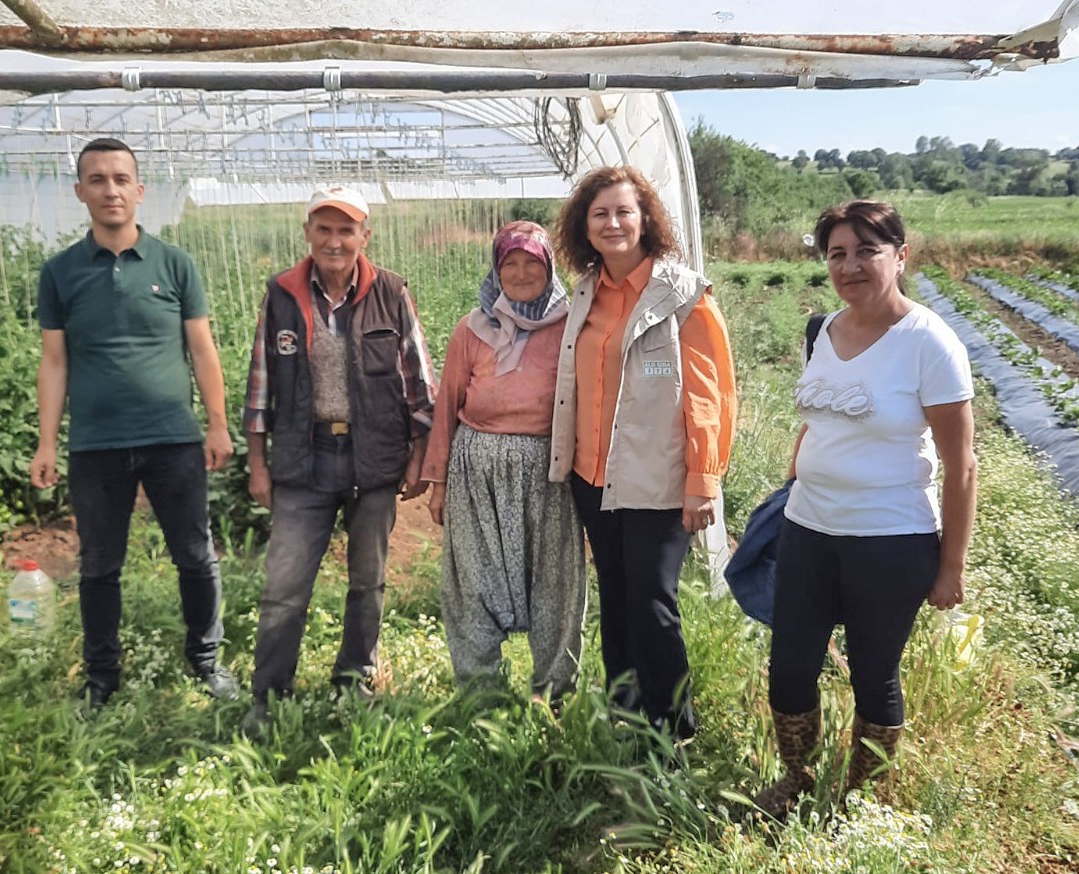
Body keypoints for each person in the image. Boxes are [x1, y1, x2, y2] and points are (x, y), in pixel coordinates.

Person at [754, 200, 976, 818]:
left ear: (900, 256)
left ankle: (859, 798)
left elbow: (962, 464)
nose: (850, 265)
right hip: (808, 530)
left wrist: (951, 566)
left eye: (866, 251)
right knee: (790, 666)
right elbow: (816, 420)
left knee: (873, 672)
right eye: (837, 254)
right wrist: (794, 481)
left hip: (890, 540)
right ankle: (796, 778)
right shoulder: (820, 332)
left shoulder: (929, 343)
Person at [30, 137, 238, 707]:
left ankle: (206, 662)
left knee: (195, 555)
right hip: (96, 445)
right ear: (80, 192)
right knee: (98, 565)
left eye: (121, 178)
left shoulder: (174, 264)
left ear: (140, 191)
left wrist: (216, 425)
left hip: (172, 437)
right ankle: (102, 679)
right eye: (97, 179)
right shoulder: (60, 272)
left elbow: (202, 350)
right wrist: (47, 441)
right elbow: (54, 360)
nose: (110, 189)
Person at [549, 166, 737, 741]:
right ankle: (625, 715)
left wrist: (703, 479)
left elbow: (711, 393)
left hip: (656, 477)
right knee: (617, 596)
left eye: (623, 211)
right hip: (593, 476)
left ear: (645, 219)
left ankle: (674, 731)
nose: (612, 223)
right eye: (600, 213)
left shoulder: (683, 295)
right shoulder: (584, 294)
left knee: (653, 604)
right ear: (585, 225)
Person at [241, 185, 436, 733]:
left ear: (364, 237)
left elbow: (420, 382)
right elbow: (260, 386)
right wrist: (258, 463)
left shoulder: (391, 293)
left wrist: (418, 454)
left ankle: (354, 680)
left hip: (373, 457)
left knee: (368, 581)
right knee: (284, 585)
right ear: (307, 233)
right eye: (323, 229)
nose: (334, 240)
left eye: (345, 230)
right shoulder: (281, 294)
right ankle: (269, 697)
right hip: (304, 461)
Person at [422, 221, 587, 699]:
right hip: (477, 472)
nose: (519, 273)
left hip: (547, 474)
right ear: (496, 270)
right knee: (472, 580)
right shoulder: (471, 328)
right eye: (508, 263)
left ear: (549, 266)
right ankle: (481, 693)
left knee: (555, 584)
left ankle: (554, 693)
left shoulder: (572, 327)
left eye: (531, 262)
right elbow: (447, 404)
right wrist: (439, 483)